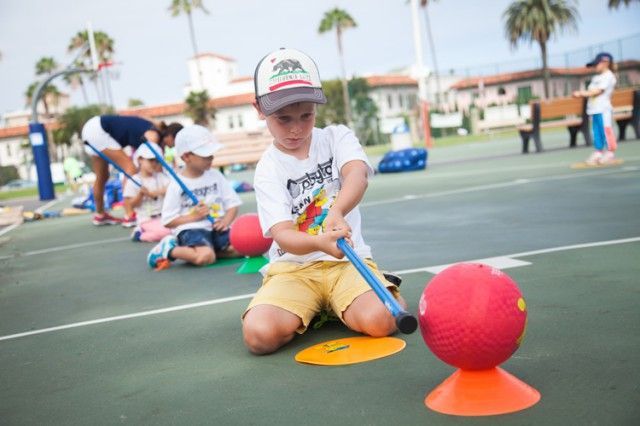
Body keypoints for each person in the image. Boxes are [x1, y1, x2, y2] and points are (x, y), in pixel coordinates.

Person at [242, 48, 406, 355]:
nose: (296, 128)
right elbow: (284, 235)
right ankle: (320, 305)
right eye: (283, 118)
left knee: (383, 320)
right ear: (259, 109)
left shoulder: (336, 137)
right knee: (258, 336)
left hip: (346, 263)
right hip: (293, 270)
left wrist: (338, 211)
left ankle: (354, 296)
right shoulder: (268, 168)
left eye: (306, 115)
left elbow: (357, 174)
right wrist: (319, 243)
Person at [147, 125, 242, 269]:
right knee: (205, 257)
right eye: (205, 155)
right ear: (186, 157)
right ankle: (169, 249)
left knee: (241, 249)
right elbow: (167, 220)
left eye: (211, 153)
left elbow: (233, 204)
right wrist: (195, 216)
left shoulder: (216, 175)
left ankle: (211, 249)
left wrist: (226, 222)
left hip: (216, 227)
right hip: (191, 229)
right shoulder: (176, 184)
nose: (211, 157)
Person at [81, 115, 183, 226]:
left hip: (92, 128)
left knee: (102, 176)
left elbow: (156, 165)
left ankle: (100, 215)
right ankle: (129, 214)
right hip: (99, 130)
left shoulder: (154, 132)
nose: (173, 147)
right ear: (171, 137)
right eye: (175, 143)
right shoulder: (153, 136)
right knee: (130, 168)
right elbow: (154, 164)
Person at [573, 52, 618, 165]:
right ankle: (598, 152)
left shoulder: (609, 76)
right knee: (596, 131)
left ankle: (610, 152)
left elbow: (598, 91)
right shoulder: (596, 77)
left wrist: (582, 93)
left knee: (606, 130)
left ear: (605, 63)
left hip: (603, 109)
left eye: (596, 64)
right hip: (594, 110)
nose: (594, 67)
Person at [122, 142, 172, 243]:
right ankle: (140, 234)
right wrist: (140, 195)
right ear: (140, 159)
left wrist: (154, 193)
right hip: (147, 219)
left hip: (164, 217)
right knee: (166, 233)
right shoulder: (133, 181)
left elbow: (172, 188)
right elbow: (130, 205)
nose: (154, 164)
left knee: (178, 229)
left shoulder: (161, 177)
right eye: (150, 160)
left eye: (156, 161)